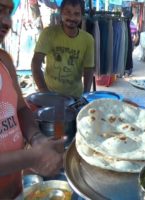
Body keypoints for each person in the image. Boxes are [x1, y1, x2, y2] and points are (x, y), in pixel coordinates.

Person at [0, 0, 66, 199]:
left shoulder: (4, 61)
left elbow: (20, 108)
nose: (6, 21)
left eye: (9, 12)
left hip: (14, 189)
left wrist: (37, 139)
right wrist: (32, 157)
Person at [31, 0, 95, 98]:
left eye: (76, 13)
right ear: (61, 13)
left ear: (82, 16)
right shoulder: (48, 33)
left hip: (75, 96)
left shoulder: (88, 39)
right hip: (50, 93)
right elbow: (35, 63)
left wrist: (85, 94)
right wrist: (44, 92)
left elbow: (89, 69)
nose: (72, 17)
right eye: (68, 12)